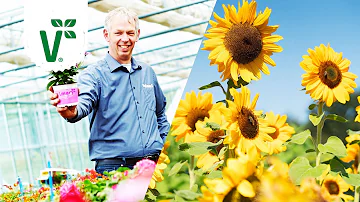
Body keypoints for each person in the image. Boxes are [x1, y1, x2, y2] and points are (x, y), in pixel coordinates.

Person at [49, 7, 170, 174]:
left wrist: (167, 146)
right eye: (118, 33)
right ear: (106, 35)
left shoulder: (147, 72)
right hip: (115, 168)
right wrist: (72, 111)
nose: (125, 39)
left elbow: (160, 114)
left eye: (130, 33)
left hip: (154, 164)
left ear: (138, 34)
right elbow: (84, 102)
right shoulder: (94, 75)